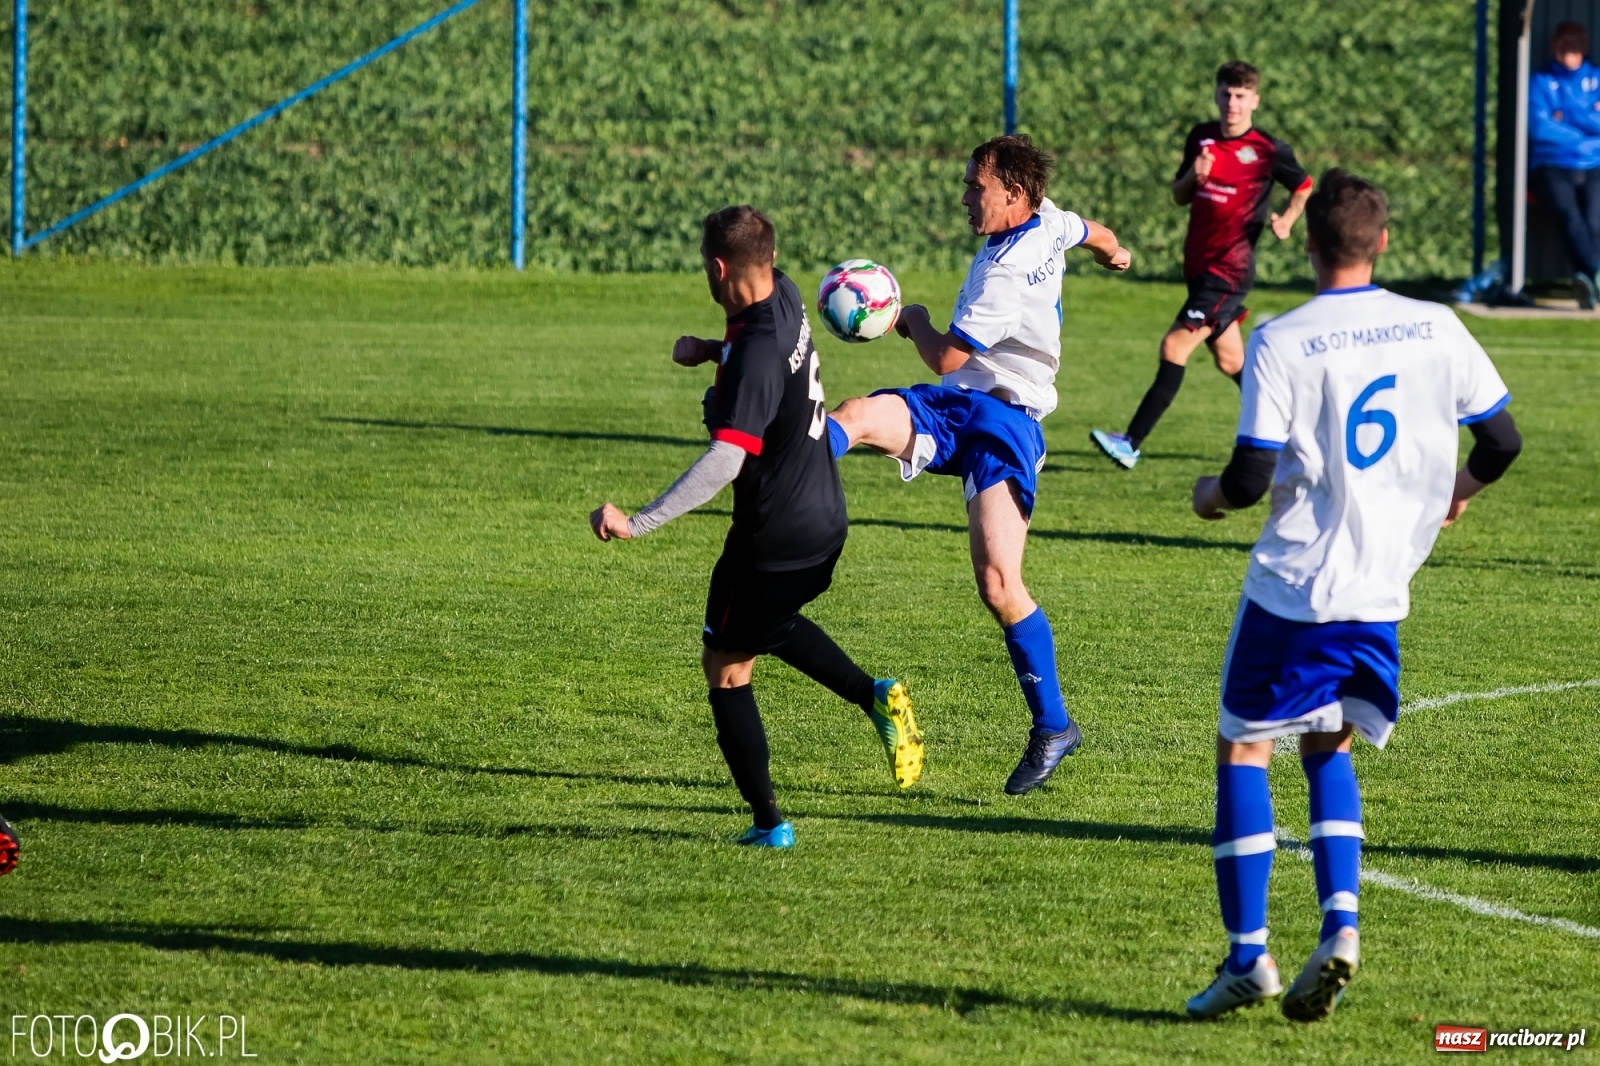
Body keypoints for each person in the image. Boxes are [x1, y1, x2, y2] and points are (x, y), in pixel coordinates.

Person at [1183, 170, 1522, 1021]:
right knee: (1329, 747)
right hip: (1381, 590)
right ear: (1383, 242)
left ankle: (1248, 957)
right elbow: (1504, 438)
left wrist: (1210, 498)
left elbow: (1252, 474)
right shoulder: (1437, 325)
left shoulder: (1285, 337)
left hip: (1297, 588)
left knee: (1244, 751)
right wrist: (1461, 492)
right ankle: (1342, 926)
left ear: (1310, 242)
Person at [590, 205, 922, 849]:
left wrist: (638, 521)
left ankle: (769, 824)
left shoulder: (756, 356)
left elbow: (725, 459)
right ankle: (876, 697)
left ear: (718, 268)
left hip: (772, 537)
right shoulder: (786, 293)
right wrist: (710, 350)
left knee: (726, 664)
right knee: (767, 626)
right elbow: (762, 366)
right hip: (825, 517)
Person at [826, 135, 1131, 795]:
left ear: (1013, 195)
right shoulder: (1048, 220)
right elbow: (1090, 232)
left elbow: (946, 359)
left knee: (999, 584)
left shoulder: (1005, 274)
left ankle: (1054, 725)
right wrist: (1117, 252)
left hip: (1005, 421)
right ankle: (793, 470)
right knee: (857, 414)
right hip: (958, 409)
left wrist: (913, 319)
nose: (965, 197)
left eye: (975, 187)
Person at [1091, 61, 1312, 469]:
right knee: (1232, 362)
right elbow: (1178, 195)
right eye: (1226, 94)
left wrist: (1288, 218)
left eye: (1241, 96)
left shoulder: (1267, 150)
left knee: (1175, 345)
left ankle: (1130, 442)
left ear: (1255, 101)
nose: (1232, 103)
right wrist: (1194, 176)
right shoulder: (1202, 137)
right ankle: (1299, 432)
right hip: (1199, 268)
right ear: (1216, 94)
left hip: (1229, 272)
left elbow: (1303, 184)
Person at [1529, 21, 1600, 309]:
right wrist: (1589, 121)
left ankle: (1586, 278)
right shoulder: (1541, 81)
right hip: (1552, 164)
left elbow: (1558, 123)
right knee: (1569, 215)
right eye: (1564, 48)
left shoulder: (1595, 78)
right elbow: (1540, 128)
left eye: (1575, 47)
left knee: (1594, 220)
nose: (1569, 54)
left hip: (1594, 162)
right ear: (1554, 49)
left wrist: (1567, 116)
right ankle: (1596, 271)